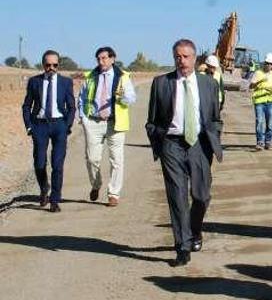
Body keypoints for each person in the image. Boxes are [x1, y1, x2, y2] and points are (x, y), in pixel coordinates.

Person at [145, 39, 223, 267]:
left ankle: (195, 231)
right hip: (172, 145)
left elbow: (215, 118)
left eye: (186, 56)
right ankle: (183, 246)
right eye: (178, 56)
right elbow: (152, 119)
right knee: (177, 196)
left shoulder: (208, 84)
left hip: (199, 145)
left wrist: (214, 138)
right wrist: (158, 140)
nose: (182, 61)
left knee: (201, 196)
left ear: (195, 58)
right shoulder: (161, 83)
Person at [77, 46, 137, 207]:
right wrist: (83, 118)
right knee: (92, 159)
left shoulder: (123, 77)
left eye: (104, 58)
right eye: (98, 59)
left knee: (116, 160)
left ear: (112, 59)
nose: (101, 61)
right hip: (93, 122)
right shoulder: (90, 76)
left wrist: (123, 96)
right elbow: (81, 98)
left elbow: (131, 98)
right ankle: (96, 185)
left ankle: (113, 194)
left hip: (115, 123)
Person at [21, 50, 76, 213]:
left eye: (54, 65)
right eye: (48, 65)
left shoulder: (66, 82)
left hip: (59, 125)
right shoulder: (34, 82)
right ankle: (44, 188)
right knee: (39, 163)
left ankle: (55, 199)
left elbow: (71, 106)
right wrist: (29, 126)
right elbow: (26, 106)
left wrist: (67, 125)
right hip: (40, 125)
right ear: (43, 64)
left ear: (58, 65)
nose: (51, 68)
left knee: (57, 164)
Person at [250, 53, 272, 151]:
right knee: (259, 122)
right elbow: (251, 86)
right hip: (259, 101)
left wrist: (270, 89)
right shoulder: (258, 73)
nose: (268, 65)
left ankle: (268, 142)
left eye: (270, 64)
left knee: (270, 123)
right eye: (267, 63)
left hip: (270, 102)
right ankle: (260, 141)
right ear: (264, 63)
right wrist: (259, 82)